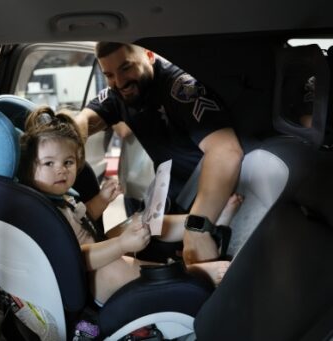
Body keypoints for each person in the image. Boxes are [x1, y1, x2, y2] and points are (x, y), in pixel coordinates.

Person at [18, 106, 241, 304]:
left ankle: (201, 223)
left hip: (97, 249)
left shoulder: (62, 197)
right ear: (28, 169)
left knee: (141, 220)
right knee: (115, 266)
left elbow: (83, 218)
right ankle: (191, 274)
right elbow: (76, 257)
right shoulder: (41, 212)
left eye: (68, 162)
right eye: (49, 163)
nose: (61, 169)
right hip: (86, 279)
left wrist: (102, 200)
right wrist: (122, 245)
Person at [75, 42, 244, 266]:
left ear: (149, 55)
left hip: (204, 198)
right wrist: (66, 140)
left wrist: (198, 227)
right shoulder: (117, 95)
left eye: (126, 68)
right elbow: (85, 120)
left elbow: (226, 151)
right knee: (108, 243)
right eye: (109, 74)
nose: (120, 81)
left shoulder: (182, 88)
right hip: (170, 201)